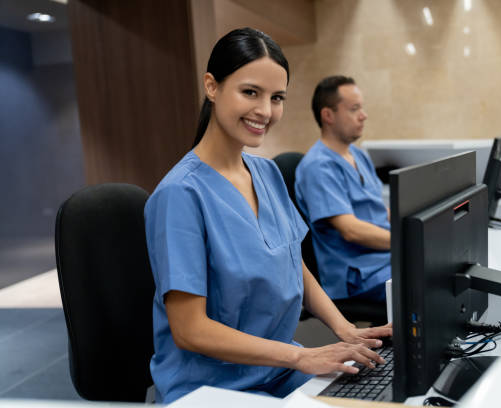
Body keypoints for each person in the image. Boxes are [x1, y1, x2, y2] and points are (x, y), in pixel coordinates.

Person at [144, 28, 391, 404]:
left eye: (276, 98)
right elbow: (189, 330)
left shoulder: (267, 173)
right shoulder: (180, 194)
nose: (265, 111)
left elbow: (293, 262)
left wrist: (345, 329)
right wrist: (302, 355)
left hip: (277, 372)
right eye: (250, 92)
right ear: (212, 86)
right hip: (211, 389)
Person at [294, 76, 391, 302]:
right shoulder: (318, 167)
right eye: (354, 109)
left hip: (383, 258)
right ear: (328, 115)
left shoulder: (358, 155)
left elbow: (377, 209)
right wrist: (406, 241)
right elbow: (351, 230)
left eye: (362, 108)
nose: (363, 115)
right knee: (433, 279)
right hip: (359, 275)